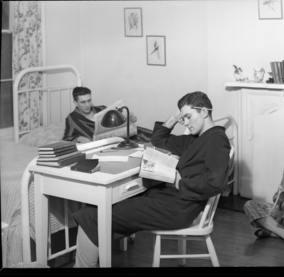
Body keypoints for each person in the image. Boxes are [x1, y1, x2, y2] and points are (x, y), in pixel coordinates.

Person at [72, 91, 231, 267]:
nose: (185, 122)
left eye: (188, 116)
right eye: (182, 118)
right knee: (98, 209)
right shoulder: (197, 139)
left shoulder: (216, 139)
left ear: (204, 112)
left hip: (177, 208)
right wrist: (175, 116)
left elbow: (217, 183)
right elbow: (158, 139)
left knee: (93, 215)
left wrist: (178, 181)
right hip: (170, 200)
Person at [63, 86, 137, 143]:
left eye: (89, 100)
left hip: (121, 137)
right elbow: (67, 138)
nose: (87, 105)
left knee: (145, 136)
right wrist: (79, 138)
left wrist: (129, 119)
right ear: (75, 103)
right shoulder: (72, 118)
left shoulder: (101, 109)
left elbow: (118, 121)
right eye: (83, 102)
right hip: (103, 144)